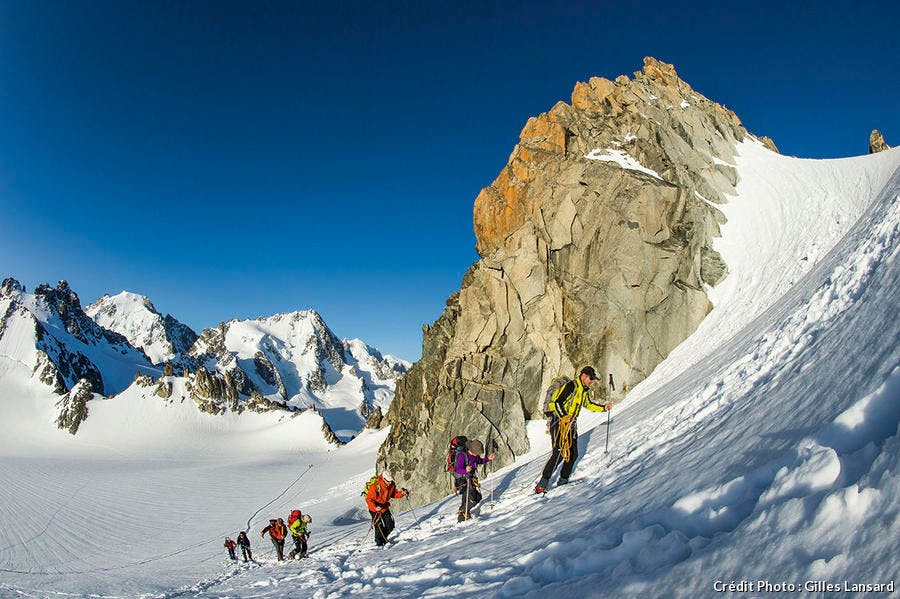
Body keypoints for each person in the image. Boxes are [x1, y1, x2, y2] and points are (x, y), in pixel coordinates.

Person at [535, 366, 612, 493]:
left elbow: (588, 404)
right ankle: (542, 484)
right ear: (583, 375)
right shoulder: (571, 386)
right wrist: (564, 416)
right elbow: (557, 403)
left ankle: (563, 480)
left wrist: (604, 408)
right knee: (558, 453)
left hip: (571, 424)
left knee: (572, 454)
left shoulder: (583, 390)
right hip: (560, 422)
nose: (591, 381)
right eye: (590, 378)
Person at [454, 439, 495, 521]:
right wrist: (465, 470)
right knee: (472, 498)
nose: (478, 454)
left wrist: (488, 459)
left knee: (476, 497)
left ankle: (463, 514)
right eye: (477, 452)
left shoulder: (475, 456)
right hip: (463, 480)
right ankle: (463, 512)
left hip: (471, 478)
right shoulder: (463, 456)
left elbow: (479, 461)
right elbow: (458, 470)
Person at [364, 470, 407, 546]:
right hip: (375, 509)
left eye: (391, 480)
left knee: (390, 525)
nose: (390, 482)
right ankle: (379, 543)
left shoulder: (392, 484)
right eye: (388, 481)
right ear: (384, 479)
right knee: (379, 527)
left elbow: (393, 493)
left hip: (384, 507)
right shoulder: (375, 486)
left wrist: (402, 494)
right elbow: (369, 499)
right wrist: (375, 507)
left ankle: (383, 538)